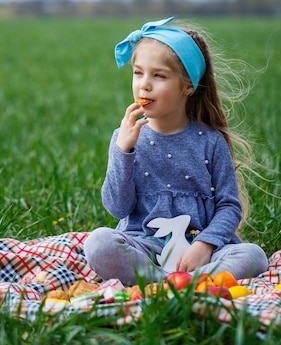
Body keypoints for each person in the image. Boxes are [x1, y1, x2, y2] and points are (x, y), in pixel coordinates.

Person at [83, 17, 268, 286]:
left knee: (254, 256)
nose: (144, 84)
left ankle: (182, 282)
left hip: (201, 252)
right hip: (145, 247)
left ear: (187, 86)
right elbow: (116, 207)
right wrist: (124, 150)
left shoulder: (210, 141)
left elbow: (228, 207)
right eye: (138, 73)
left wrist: (204, 245)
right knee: (98, 243)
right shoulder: (124, 137)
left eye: (158, 75)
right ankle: (168, 282)